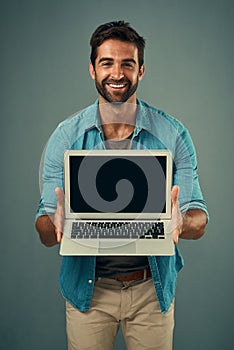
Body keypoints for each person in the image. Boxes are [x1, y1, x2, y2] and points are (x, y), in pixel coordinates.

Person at [35, 21, 209, 350]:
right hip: (89, 290)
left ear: (141, 70)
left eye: (127, 63)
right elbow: (44, 227)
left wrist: (181, 222)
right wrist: (54, 224)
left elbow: (198, 218)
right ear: (92, 69)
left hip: (150, 290)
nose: (117, 73)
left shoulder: (172, 134)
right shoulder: (66, 136)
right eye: (107, 63)